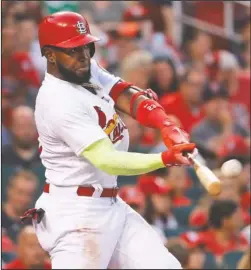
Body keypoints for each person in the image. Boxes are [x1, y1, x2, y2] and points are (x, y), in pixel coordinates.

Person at [30, 11, 196, 269]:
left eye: (86, 47)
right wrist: (165, 158)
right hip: (75, 215)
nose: (83, 56)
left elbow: (123, 92)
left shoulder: (83, 69)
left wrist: (165, 124)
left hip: (110, 204)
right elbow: (108, 160)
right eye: (72, 50)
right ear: (50, 54)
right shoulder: (57, 100)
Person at [160, 67, 206, 133]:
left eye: (201, 85)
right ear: (183, 85)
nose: (198, 89)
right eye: (194, 85)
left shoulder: (206, 107)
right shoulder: (168, 104)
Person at [2, 170, 39, 243]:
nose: (23, 199)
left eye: (29, 194)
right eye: (20, 192)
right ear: (9, 190)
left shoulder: (36, 222)